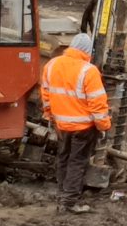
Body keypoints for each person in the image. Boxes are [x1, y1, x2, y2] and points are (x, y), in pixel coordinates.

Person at [39, 31, 112, 212]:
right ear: (88, 52)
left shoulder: (51, 65)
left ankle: (61, 194)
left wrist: (50, 115)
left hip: (61, 125)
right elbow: (97, 103)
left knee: (63, 158)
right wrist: (104, 127)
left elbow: (46, 95)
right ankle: (69, 202)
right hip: (83, 127)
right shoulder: (89, 71)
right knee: (77, 162)